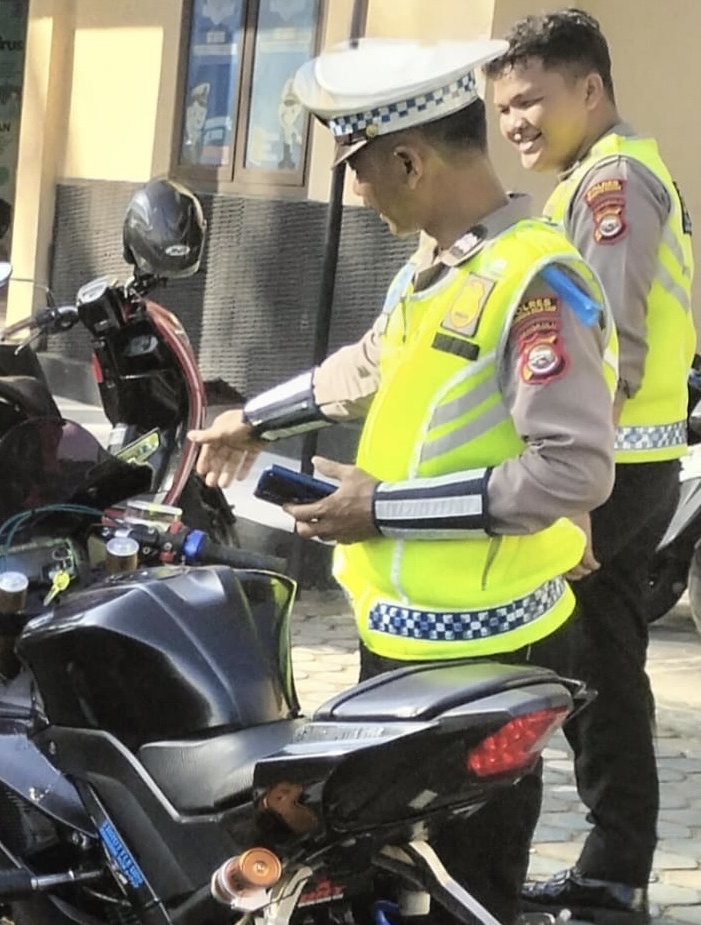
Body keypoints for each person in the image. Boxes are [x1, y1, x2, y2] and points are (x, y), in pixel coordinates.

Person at [187, 35, 619, 925]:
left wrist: (376, 508)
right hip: (406, 636)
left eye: (357, 167)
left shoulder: (537, 280)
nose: (355, 188)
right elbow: (366, 365)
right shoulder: (434, 267)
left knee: (468, 882)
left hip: (488, 649)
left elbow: (573, 467)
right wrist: (248, 420)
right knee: (384, 870)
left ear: (409, 158)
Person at [485, 11, 695, 924]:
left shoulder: (610, 184)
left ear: (590, 90)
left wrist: (573, 498)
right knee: (602, 666)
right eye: (502, 108)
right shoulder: (596, 176)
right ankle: (612, 877)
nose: (515, 122)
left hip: (612, 467)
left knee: (531, 656)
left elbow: (608, 350)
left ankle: (503, 869)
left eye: (530, 99)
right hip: (626, 466)